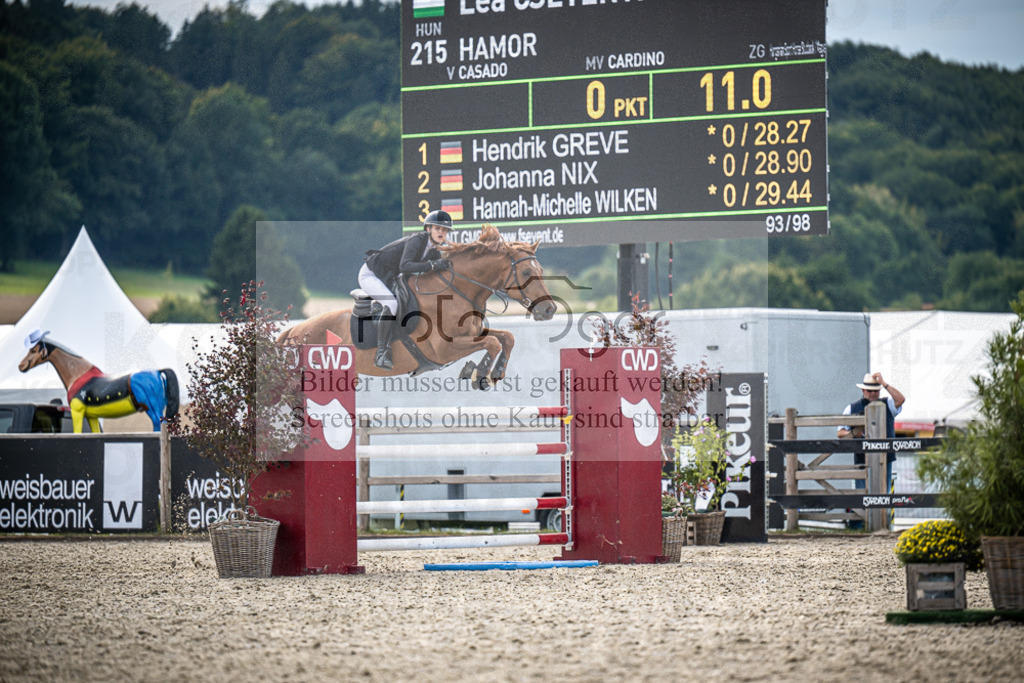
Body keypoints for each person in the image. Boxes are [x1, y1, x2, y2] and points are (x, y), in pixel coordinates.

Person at [358, 210, 453, 370]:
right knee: (392, 304)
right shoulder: (418, 239)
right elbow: (405, 265)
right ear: (428, 229)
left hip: (388, 277)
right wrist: (433, 265)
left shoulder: (434, 249)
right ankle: (382, 353)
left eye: (444, 230)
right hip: (371, 274)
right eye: (438, 228)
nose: (441, 232)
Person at [838, 372, 906, 522]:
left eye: (876, 390)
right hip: (863, 456)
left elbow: (901, 399)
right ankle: (864, 522)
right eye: (870, 390)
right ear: (863, 391)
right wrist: (854, 434)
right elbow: (840, 431)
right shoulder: (852, 408)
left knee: (884, 492)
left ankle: (881, 522)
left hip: (884, 456)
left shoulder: (886, 403)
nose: (873, 393)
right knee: (863, 493)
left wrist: (885, 383)